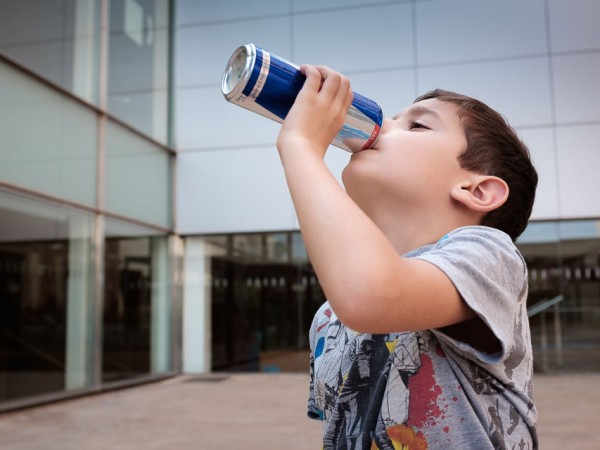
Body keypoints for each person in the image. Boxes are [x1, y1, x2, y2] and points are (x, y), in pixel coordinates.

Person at [275, 65, 539, 449]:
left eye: (417, 126)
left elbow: (373, 295)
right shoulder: (329, 316)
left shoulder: (489, 255)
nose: (384, 126)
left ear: (477, 191)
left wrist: (300, 146)